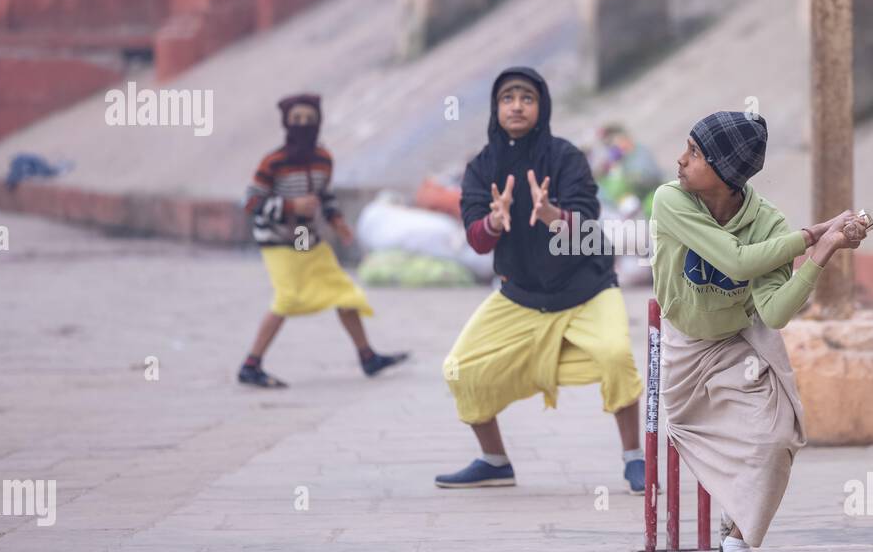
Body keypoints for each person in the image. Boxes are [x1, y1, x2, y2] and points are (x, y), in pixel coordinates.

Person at [650, 110, 868, 552]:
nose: (681, 160)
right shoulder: (670, 200)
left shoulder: (768, 222)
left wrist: (819, 256)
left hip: (741, 339)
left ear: (727, 174)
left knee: (775, 438)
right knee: (693, 429)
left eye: (695, 153)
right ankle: (735, 525)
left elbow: (774, 314)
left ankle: (738, 543)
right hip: (686, 343)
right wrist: (812, 235)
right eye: (687, 147)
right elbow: (734, 259)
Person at [436, 67, 646, 493]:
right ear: (496, 108)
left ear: (541, 107)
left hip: (587, 288)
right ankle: (494, 461)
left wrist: (554, 216)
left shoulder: (566, 157)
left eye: (527, 98)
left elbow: (588, 226)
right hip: (521, 295)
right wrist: (494, 221)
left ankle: (633, 458)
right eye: (508, 97)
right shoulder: (481, 167)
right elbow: (476, 240)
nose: (517, 105)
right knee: (459, 368)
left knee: (614, 354)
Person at [238, 94, 408, 388]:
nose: (303, 125)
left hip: (305, 236)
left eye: (309, 120)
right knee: (288, 296)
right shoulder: (273, 161)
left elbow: (325, 194)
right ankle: (251, 364)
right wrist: (290, 206)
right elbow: (251, 202)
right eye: (297, 120)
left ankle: (367, 356)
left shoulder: (323, 159)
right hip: (277, 238)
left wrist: (337, 222)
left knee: (341, 290)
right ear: (287, 124)